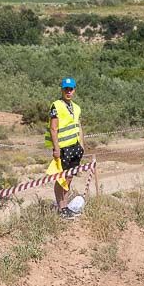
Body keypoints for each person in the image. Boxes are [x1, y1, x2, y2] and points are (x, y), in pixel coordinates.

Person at [46, 77, 85, 217]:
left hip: (75, 147)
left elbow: (78, 126)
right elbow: (53, 128)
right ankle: (61, 208)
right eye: (66, 89)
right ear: (62, 89)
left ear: (74, 90)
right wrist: (56, 149)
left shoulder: (76, 107)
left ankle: (66, 206)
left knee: (69, 178)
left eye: (71, 89)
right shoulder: (56, 105)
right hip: (63, 149)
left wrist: (82, 144)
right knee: (61, 178)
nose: (68, 91)